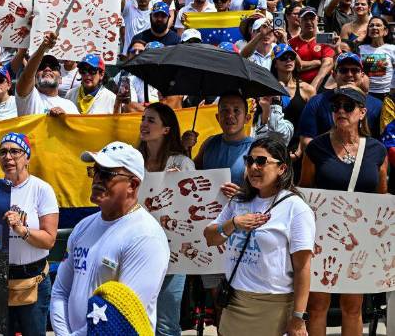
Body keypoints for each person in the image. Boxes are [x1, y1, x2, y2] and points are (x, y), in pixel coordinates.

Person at [51, 142, 169, 333]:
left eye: (107, 174)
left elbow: (120, 314)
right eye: (95, 171)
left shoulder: (146, 237)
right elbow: (60, 292)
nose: (97, 179)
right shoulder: (83, 227)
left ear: (133, 185)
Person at [204, 138, 314, 336]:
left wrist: (298, 318)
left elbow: (303, 268)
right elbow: (210, 238)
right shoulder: (238, 201)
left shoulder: (296, 209)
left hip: (273, 305)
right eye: (249, 160)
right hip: (233, 301)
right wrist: (234, 223)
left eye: (261, 161)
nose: (253, 167)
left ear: (281, 168)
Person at [300, 86, 387, 336]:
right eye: (336, 107)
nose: (340, 111)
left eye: (348, 107)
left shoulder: (377, 150)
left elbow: (380, 198)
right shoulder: (316, 148)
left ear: (362, 113)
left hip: (358, 240)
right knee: (317, 306)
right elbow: (305, 192)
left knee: (353, 306)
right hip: (321, 237)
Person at [137, 102, 194, 336]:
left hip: (173, 252)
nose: (144, 124)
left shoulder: (182, 163)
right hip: (138, 249)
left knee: (165, 324)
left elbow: (193, 207)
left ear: (166, 130)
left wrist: (180, 185)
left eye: (151, 120)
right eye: (143, 118)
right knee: (137, 317)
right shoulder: (133, 161)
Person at [192, 92, 255, 305]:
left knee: (242, 300)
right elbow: (192, 178)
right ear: (217, 117)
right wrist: (184, 149)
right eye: (225, 110)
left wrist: (242, 193)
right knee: (219, 300)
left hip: (243, 235)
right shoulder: (209, 144)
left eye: (236, 110)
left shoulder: (256, 149)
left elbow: (268, 191)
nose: (230, 115)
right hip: (212, 231)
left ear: (247, 117)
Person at [0, 132, 59, 336]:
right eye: (3, 152)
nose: (8, 157)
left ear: (27, 157)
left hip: (33, 282)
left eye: (15, 151)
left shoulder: (42, 189)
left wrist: (21, 230)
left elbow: (49, 240)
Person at [15, 32, 79, 116]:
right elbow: (27, 76)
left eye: (53, 67)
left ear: (60, 79)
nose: (47, 69)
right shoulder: (29, 97)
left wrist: (66, 118)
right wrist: (43, 48)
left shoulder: (70, 106)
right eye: (42, 67)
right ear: (35, 77)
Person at [288, 7, 334, 90]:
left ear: (317, 20)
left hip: (321, 86)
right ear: (299, 21)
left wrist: (313, 86)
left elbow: (327, 64)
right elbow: (297, 66)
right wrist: (318, 62)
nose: (308, 22)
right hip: (298, 86)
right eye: (305, 19)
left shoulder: (326, 38)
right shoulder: (292, 42)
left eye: (312, 19)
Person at [358, 15, 395, 99]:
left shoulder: (392, 49)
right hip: (366, 94)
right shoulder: (360, 49)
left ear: (385, 31)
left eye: (378, 25)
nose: (374, 28)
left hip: (388, 94)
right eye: (371, 26)